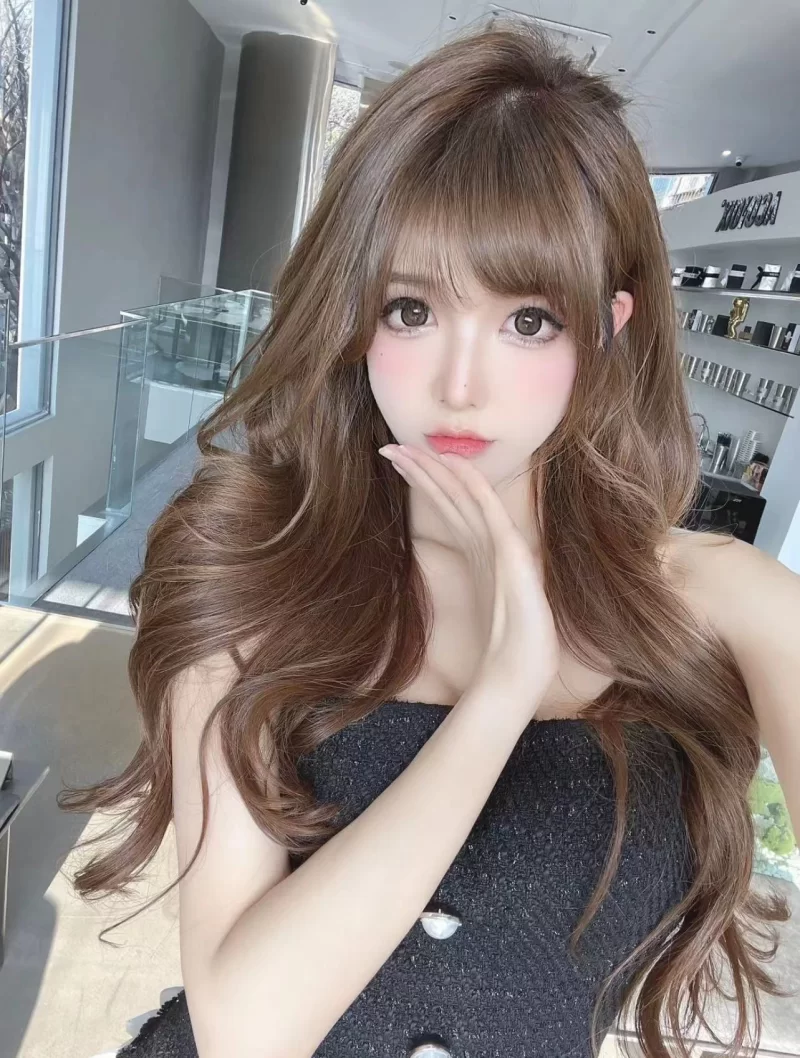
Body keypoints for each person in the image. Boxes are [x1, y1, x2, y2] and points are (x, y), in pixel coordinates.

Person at [60, 18, 800, 1058]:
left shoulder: (729, 606)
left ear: (608, 327)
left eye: (529, 321)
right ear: (355, 312)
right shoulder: (254, 569)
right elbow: (246, 1030)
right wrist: (503, 691)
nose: (460, 384)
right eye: (410, 308)